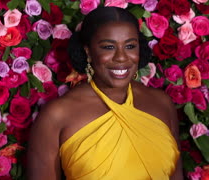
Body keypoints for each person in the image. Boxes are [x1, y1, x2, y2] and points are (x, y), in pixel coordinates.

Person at [27, 6, 183, 180]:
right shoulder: (57, 115)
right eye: (109, 47)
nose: (121, 57)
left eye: (130, 46)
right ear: (88, 51)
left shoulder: (161, 103)